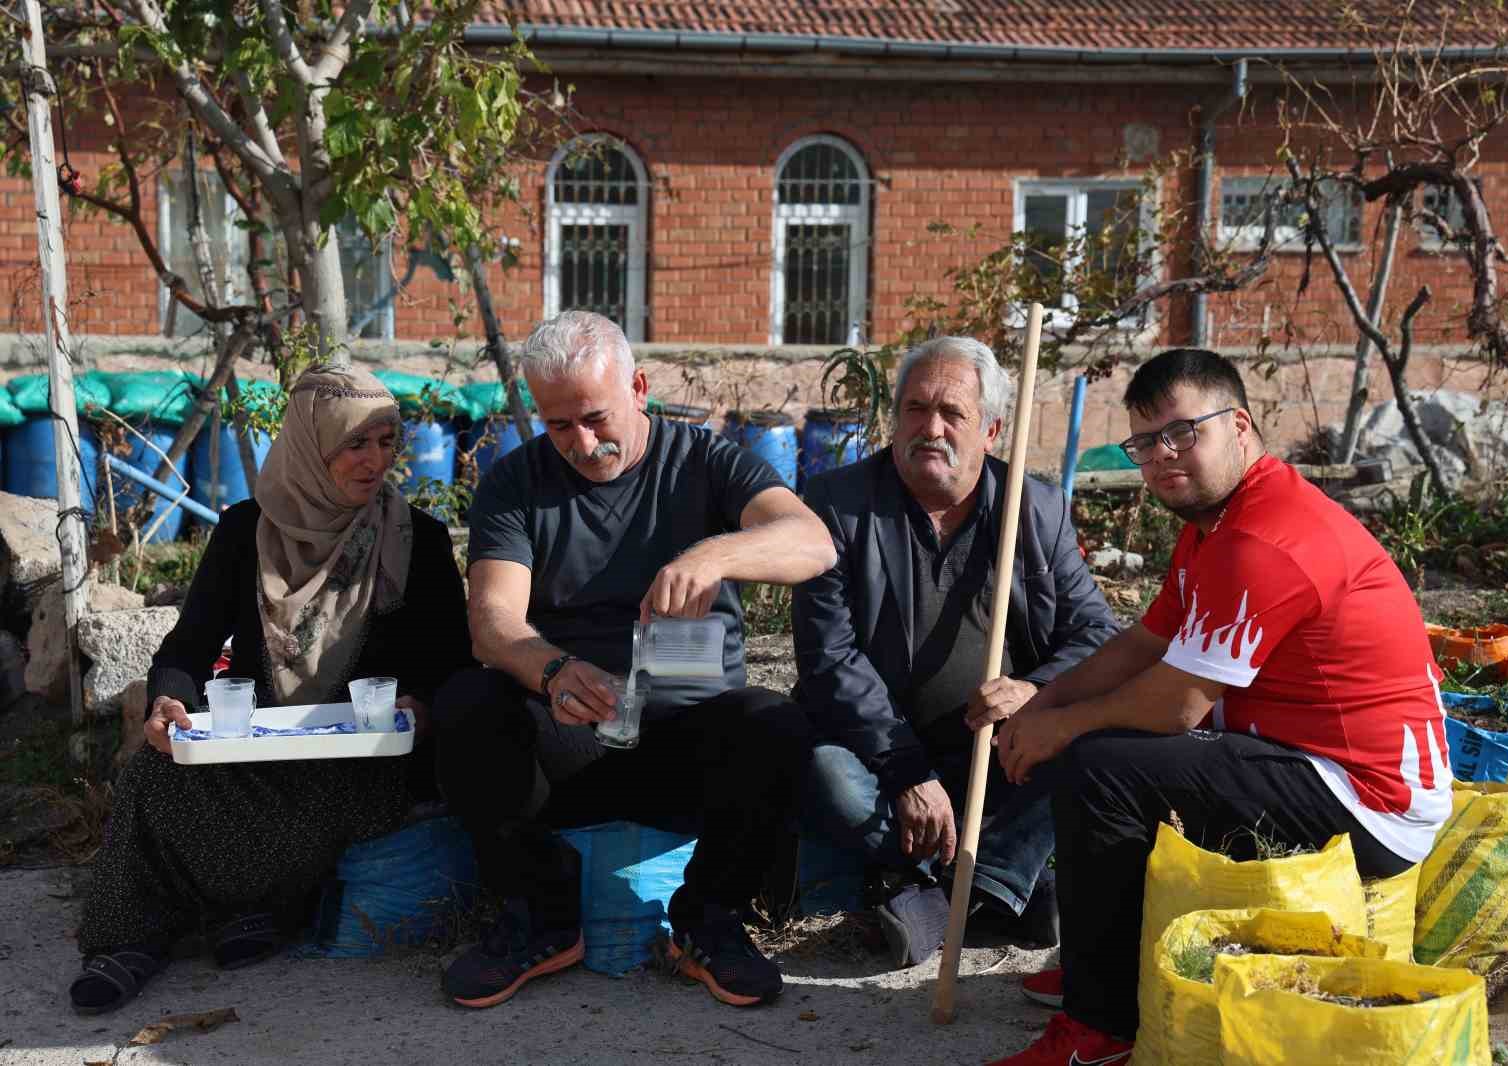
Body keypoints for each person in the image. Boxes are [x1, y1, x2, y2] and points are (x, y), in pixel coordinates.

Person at [987, 348, 1452, 1066]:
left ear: (1239, 425)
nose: (1162, 457)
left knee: (1100, 768)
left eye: (1182, 433)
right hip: (1307, 761)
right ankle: (1108, 967)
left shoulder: (1264, 537)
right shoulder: (1214, 527)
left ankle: (1101, 1027)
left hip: (1366, 798)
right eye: (1144, 443)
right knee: (1108, 752)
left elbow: (1177, 704)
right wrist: (1043, 701)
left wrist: (1060, 725)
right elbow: (1144, 643)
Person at [433, 310, 835, 1010]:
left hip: (690, 735)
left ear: (640, 386)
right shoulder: (515, 482)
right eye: (560, 426)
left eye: (595, 418)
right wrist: (553, 669)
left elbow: (812, 542)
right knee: (470, 702)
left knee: (774, 723)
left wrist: (714, 555)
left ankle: (708, 919)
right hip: (572, 734)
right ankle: (541, 914)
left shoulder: (707, 461)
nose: (583, 444)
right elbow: (493, 623)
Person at [71, 366, 472, 1015]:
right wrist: (169, 701)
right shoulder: (245, 532)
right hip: (262, 744)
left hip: (370, 762)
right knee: (154, 772)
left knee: (308, 811)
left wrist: (421, 707)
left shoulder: (413, 540)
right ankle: (127, 941)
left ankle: (255, 907)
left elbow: (453, 660)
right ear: (312, 448)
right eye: (356, 444)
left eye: (387, 441)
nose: (376, 461)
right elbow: (189, 645)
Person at [792, 336, 1118, 966]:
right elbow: (829, 659)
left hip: (997, 755)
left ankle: (945, 895)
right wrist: (907, 769)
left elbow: (1096, 636)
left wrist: (1036, 689)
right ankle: (997, 891)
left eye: (952, 414)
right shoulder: (838, 506)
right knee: (826, 772)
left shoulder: (1034, 509)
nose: (930, 428)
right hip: (879, 756)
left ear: (991, 430)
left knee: (1093, 744)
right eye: (915, 409)